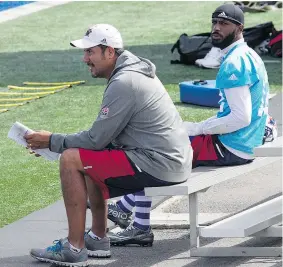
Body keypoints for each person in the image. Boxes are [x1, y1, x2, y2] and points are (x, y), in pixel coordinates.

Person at [25, 24, 192, 266]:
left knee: (72, 158)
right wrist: (52, 143)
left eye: (90, 52)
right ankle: (98, 238)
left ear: (110, 52)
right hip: (168, 160)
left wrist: (51, 141)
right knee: (88, 157)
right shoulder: (129, 73)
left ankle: (74, 248)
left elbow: (96, 139)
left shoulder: (125, 81)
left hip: (162, 164)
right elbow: (100, 141)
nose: (85, 59)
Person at [106, 3, 270, 246]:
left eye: (223, 24)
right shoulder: (249, 55)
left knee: (153, 153)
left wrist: (198, 127)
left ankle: (133, 219)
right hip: (244, 141)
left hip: (231, 145)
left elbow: (240, 117)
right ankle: (125, 210)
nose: (216, 28)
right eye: (214, 22)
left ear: (239, 29)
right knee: (159, 146)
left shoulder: (234, 63)